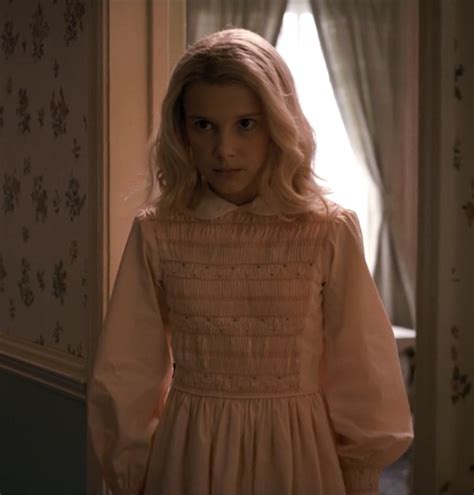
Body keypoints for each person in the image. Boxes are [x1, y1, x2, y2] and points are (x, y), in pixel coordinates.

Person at [87, 28, 413, 495]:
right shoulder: (159, 231)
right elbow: (127, 368)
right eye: (204, 125)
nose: (224, 150)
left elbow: (362, 367)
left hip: (298, 454)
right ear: (181, 129)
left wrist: (361, 473)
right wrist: (129, 473)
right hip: (190, 453)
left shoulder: (326, 231)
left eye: (246, 124)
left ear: (278, 124)